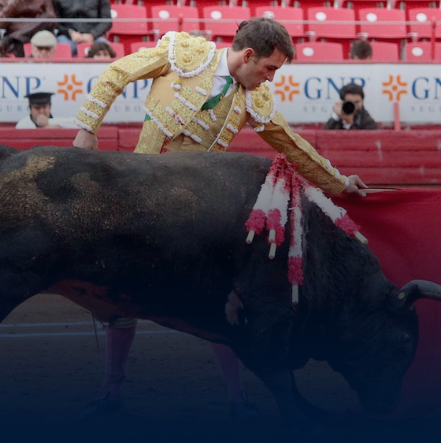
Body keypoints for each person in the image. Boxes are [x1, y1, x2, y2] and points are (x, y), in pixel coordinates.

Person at [72, 18, 367, 420]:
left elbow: (291, 145)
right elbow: (117, 72)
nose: (269, 79)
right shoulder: (183, 54)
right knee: (122, 293)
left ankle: (235, 396)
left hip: (194, 214)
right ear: (248, 55)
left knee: (221, 301)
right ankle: (111, 390)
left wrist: (337, 182)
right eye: (269, 69)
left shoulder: (253, 98)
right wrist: (88, 127)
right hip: (138, 197)